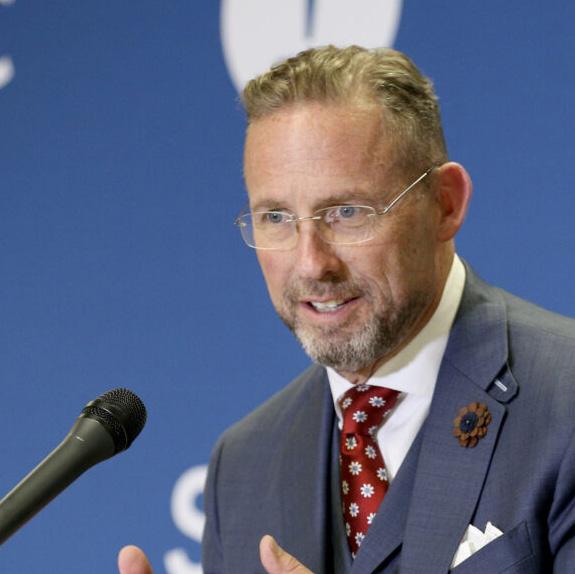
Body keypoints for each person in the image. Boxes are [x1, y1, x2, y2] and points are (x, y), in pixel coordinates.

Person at [118, 46, 575, 573]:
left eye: (347, 212)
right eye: (275, 218)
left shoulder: (563, 400)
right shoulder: (242, 468)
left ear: (445, 203)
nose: (311, 263)